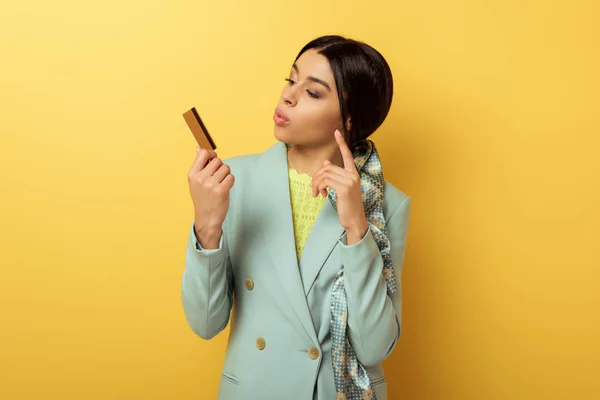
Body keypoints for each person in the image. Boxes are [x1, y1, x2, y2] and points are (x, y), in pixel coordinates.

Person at [182, 35, 412, 400]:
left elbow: (374, 347)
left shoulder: (384, 202)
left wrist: (357, 228)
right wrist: (207, 226)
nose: (288, 96)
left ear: (350, 117)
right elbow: (205, 324)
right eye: (291, 80)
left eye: (314, 92)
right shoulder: (233, 182)